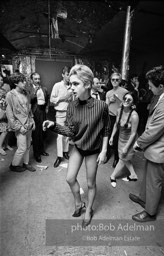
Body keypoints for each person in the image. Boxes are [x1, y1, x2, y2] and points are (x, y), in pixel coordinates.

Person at [43, 64, 110, 227]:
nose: (71, 88)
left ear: (87, 84)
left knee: (90, 184)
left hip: (93, 150)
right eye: (70, 84)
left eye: (75, 84)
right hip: (78, 147)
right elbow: (70, 131)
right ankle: (79, 203)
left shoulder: (101, 106)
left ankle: (89, 210)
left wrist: (104, 150)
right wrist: (53, 126)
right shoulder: (72, 106)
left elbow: (106, 128)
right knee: (70, 178)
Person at [129, 65, 164, 222]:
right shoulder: (161, 96)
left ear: (161, 86)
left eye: (151, 86)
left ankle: (150, 213)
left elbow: (154, 130)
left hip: (159, 150)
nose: (149, 88)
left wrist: (138, 143)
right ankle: (144, 199)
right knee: (148, 178)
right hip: (153, 149)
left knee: (154, 182)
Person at [6, 72, 36, 172]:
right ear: (15, 83)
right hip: (20, 126)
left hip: (28, 124)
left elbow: (29, 109)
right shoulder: (10, 95)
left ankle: (26, 163)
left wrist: (32, 121)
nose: (25, 83)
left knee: (28, 146)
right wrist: (18, 127)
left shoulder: (26, 93)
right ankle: (14, 165)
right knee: (22, 148)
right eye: (22, 81)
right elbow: (10, 115)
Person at [109, 91, 139, 188]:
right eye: (125, 99)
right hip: (121, 138)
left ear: (133, 103)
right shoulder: (119, 110)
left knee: (122, 158)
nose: (126, 101)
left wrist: (126, 147)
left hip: (130, 140)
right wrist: (112, 136)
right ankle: (133, 175)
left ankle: (113, 176)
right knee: (125, 158)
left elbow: (133, 133)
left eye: (129, 100)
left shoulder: (134, 116)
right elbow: (116, 125)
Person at [50, 66, 72, 168]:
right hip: (60, 113)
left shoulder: (72, 86)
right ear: (63, 75)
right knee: (60, 136)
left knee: (67, 134)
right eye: (68, 74)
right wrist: (64, 97)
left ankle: (66, 151)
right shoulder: (57, 85)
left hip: (70, 113)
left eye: (71, 75)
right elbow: (52, 99)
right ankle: (59, 156)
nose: (69, 77)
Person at [106, 72, 128, 166]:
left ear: (119, 81)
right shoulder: (108, 93)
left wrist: (122, 102)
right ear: (110, 81)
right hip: (110, 117)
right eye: (113, 79)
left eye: (116, 80)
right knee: (107, 136)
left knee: (117, 138)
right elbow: (105, 107)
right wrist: (109, 101)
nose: (114, 81)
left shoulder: (124, 91)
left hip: (120, 117)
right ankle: (106, 155)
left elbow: (129, 105)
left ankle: (116, 158)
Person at [30, 72, 49, 163]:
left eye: (38, 79)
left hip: (42, 111)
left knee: (43, 132)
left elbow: (48, 98)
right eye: (35, 79)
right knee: (36, 134)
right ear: (32, 80)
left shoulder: (44, 88)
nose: (38, 80)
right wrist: (35, 91)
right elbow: (28, 100)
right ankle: (36, 154)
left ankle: (42, 150)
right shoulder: (29, 89)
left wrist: (47, 107)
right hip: (35, 112)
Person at [0, 73, 12, 155]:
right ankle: (0, 147)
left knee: (7, 129)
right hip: (1, 112)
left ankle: (6, 144)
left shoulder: (5, 87)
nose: (1, 81)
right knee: (4, 130)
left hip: (6, 110)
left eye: (1, 79)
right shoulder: (2, 89)